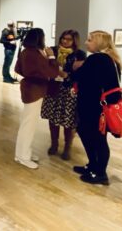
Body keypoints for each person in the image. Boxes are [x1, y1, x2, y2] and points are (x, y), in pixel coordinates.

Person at [72, 31, 122, 185]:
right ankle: (93, 166)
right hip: (98, 105)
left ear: (99, 43)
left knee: (96, 138)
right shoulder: (111, 59)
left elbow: (79, 77)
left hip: (93, 106)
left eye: (89, 40)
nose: (86, 43)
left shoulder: (97, 59)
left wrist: (76, 67)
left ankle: (100, 173)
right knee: (92, 135)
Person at [14, 28, 66, 169]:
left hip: (30, 89)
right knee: (28, 125)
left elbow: (18, 69)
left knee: (26, 123)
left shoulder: (26, 52)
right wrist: (51, 57)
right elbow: (52, 72)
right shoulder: (34, 54)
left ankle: (23, 153)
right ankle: (23, 156)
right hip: (35, 91)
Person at [41, 30, 86, 161]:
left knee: (68, 120)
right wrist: (52, 62)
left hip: (69, 90)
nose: (65, 41)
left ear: (74, 41)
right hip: (53, 87)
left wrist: (67, 74)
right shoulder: (53, 50)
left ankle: (67, 147)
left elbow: (80, 74)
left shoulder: (80, 54)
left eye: (68, 39)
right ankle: (54, 144)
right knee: (52, 118)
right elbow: (46, 67)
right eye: (63, 38)